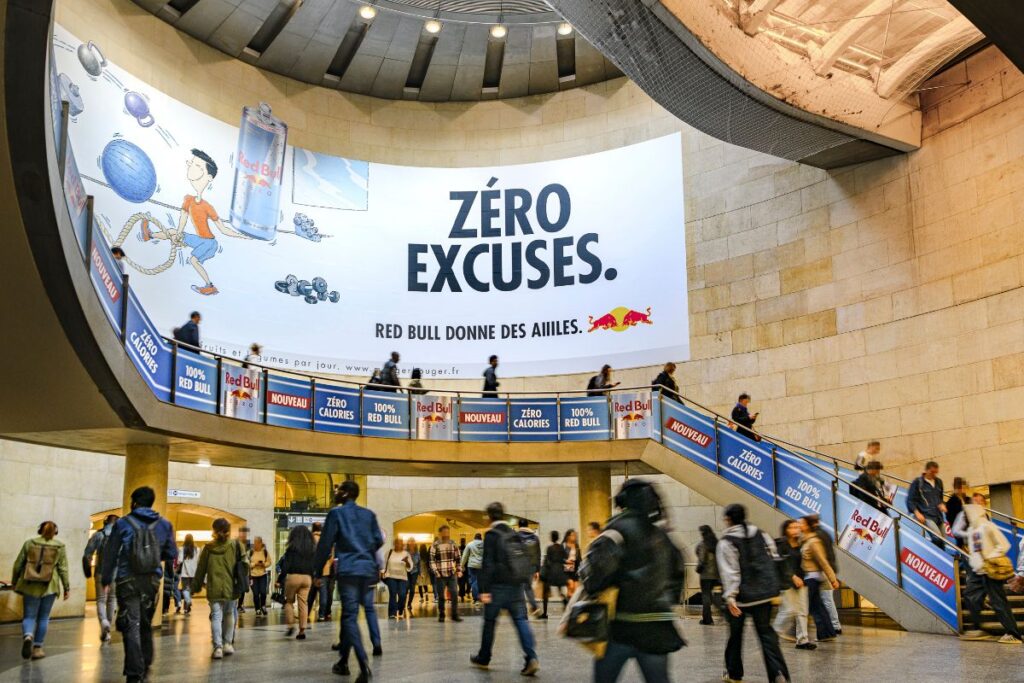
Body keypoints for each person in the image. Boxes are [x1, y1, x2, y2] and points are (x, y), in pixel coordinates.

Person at [579, 479, 685, 683]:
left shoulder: (616, 529)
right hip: (659, 628)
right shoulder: (661, 534)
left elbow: (595, 574)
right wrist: (665, 600)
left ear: (622, 500)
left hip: (622, 626)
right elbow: (678, 570)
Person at [141, 148, 248, 295]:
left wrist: (242, 236)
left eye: (197, 166)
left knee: (193, 260)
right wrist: (178, 234)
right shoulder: (189, 199)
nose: (191, 166)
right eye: (191, 163)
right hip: (199, 240)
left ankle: (209, 285)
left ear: (209, 177)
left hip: (209, 243)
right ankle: (150, 235)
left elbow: (223, 229)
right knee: (172, 232)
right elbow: (183, 218)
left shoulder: (207, 207)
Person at [101, 486, 177, 683]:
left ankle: (135, 672)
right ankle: (146, 663)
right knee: (145, 623)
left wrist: (106, 579)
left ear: (134, 502)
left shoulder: (123, 523)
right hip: (151, 581)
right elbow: (171, 554)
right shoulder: (164, 524)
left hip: (128, 580)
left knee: (131, 624)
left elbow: (110, 552)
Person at [315, 480, 384, 681]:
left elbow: (325, 544)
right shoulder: (369, 515)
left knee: (349, 617)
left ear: (345, 493)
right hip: (367, 570)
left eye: (339, 489)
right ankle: (343, 662)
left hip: (349, 570)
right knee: (349, 614)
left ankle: (363, 665)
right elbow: (379, 540)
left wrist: (317, 572)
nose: (336, 492)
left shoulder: (337, 513)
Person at [718, 503, 790, 683]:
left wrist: (730, 597)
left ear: (728, 520)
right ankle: (778, 674)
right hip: (764, 596)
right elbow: (773, 560)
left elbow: (731, 572)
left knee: (735, 636)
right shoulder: (762, 534)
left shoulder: (726, 542)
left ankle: (734, 674)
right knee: (766, 635)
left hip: (741, 599)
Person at [470, 502, 540, 676]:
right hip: (516, 586)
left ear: (489, 517)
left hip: (497, 587)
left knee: (490, 622)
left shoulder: (492, 535)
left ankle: (484, 657)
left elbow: (487, 564)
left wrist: (484, 590)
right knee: (521, 620)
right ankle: (531, 657)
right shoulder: (513, 533)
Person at [962, 499, 1022, 643]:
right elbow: (976, 551)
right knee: (970, 596)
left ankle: (1013, 634)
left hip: (991, 570)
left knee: (998, 601)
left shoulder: (988, 526)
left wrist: (989, 558)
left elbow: (1004, 545)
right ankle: (977, 628)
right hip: (979, 571)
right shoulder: (972, 531)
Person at [12, 521, 69, 660]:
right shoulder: (60, 546)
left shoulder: (29, 543)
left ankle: (28, 636)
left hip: (30, 584)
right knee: (43, 618)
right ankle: (37, 648)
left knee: (29, 616)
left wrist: (15, 581)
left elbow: (18, 564)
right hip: (50, 585)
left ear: (40, 530)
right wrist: (66, 587)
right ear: (55, 532)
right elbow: (63, 569)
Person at [191, 518, 247, 658]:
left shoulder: (208, 548)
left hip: (214, 587)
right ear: (228, 530)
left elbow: (200, 570)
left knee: (216, 616)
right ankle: (227, 644)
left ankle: (218, 648)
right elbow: (245, 565)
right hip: (231, 586)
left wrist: (196, 586)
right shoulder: (236, 545)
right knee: (229, 614)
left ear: (214, 531)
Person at [774, 520, 814, 650]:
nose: (796, 529)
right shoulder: (782, 544)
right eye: (792, 527)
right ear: (786, 530)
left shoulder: (800, 543)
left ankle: (802, 640)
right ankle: (773, 634)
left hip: (801, 581)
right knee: (789, 610)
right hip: (787, 582)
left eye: (797, 527)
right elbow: (782, 563)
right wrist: (793, 576)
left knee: (803, 611)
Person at [800, 515, 839, 643]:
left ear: (808, 526)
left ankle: (825, 632)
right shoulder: (806, 540)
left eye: (802, 523)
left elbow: (823, 561)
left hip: (812, 578)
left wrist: (833, 579)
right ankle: (827, 633)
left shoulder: (813, 541)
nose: (800, 525)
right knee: (818, 607)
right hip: (811, 578)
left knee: (813, 607)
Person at [83, 513, 119, 643]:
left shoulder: (99, 535)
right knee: (112, 600)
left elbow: (87, 553)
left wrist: (87, 571)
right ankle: (108, 628)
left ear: (105, 523)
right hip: (116, 574)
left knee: (101, 600)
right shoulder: (121, 537)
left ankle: (103, 621)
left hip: (100, 572)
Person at [278, 524, 316, 639]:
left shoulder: (291, 549)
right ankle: (302, 631)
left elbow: (285, 566)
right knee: (303, 603)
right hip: (307, 578)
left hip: (294, 577)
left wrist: (280, 579)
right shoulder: (312, 549)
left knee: (289, 601)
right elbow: (315, 565)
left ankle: (290, 626)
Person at [810, 518, 842, 635]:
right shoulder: (824, 534)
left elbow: (822, 558)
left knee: (827, 600)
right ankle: (833, 625)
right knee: (826, 600)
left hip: (824, 572)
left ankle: (835, 626)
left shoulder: (816, 536)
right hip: (828, 570)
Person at [907, 461, 948, 549]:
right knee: (937, 537)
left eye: (936, 472)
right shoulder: (918, 483)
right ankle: (929, 551)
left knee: (944, 541)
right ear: (926, 470)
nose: (934, 474)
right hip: (926, 515)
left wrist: (942, 504)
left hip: (938, 516)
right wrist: (917, 513)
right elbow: (910, 500)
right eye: (932, 472)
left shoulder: (939, 482)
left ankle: (938, 559)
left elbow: (940, 498)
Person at [430, 524, 463, 623]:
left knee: (454, 594)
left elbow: (458, 558)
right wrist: (436, 572)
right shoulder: (435, 545)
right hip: (440, 575)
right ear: (440, 533)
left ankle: (454, 614)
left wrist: (458, 570)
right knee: (441, 596)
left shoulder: (453, 543)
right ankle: (442, 614)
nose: (446, 534)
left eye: (447, 532)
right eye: (444, 532)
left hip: (451, 574)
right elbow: (432, 561)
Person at [695, 524, 723, 625]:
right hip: (716, 574)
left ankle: (707, 619)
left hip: (705, 575)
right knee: (713, 595)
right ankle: (723, 610)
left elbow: (702, 560)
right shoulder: (717, 543)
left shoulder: (704, 544)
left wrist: (698, 569)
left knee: (706, 596)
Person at [539, 530, 567, 619]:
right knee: (560, 591)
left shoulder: (549, 548)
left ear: (551, 538)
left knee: (545, 592)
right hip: (560, 572)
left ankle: (545, 613)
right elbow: (564, 559)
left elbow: (548, 561)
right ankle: (566, 603)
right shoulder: (562, 548)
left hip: (550, 572)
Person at [383, 537, 413, 619]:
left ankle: (400, 609)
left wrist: (406, 562)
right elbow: (384, 563)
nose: (398, 544)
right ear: (394, 544)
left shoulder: (406, 554)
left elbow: (410, 567)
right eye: (396, 543)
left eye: (400, 543)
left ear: (402, 544)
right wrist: (382, 572)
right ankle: (392, 613)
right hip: (391, 576)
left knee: (402, 594)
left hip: (402, 577)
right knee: (393, 594)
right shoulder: (389, 552)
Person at [517, 520, 542, 617]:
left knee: (519, 588)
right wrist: (537, 569)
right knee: (528, 587)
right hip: (531, 567)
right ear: (527, 526)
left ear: (519, 526)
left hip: (519, 566)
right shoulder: (535, 538)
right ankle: (534, 606)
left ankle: (524, 611)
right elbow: (538, 554)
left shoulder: (516, 536)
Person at [250, 536, 271, 616]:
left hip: (262, 575)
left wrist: (264, 564)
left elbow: (269, 562)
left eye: (256, 543)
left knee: (263, 592)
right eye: (254, 543)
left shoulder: (265, 552)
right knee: (255, 594)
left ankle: (263, 606)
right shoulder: (251, 552)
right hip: (253, 576)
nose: (255, 545)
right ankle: (257, 609)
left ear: (260, 543)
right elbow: (247, 563)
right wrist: (255, 564)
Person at [946, 477, 970, 548]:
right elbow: (950, 517)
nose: (961, 490)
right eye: (959, 488)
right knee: (962, 545)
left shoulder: (968, 499)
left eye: (962, 487)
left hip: (969, 526)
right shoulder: (951, 501)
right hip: (959, 527)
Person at [461, 532, 484, 605]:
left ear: (474, 538)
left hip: (472, 565)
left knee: (474, 581)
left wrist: (462, 565)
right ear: (481, 538)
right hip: (482, 565)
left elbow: (465, 556)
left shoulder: (470, 544)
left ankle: (476, 599)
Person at [179, 534, 198, 616]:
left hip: (185, 572)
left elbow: (179, 560)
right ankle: (186, 608)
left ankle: (188, 601)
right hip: (194, 573)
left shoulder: (182, 549)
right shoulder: (197, 549)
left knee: (185, 589)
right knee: (189, 590)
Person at [235, 526, 252, 613]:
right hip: (237, 567)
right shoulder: (235, 542)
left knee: (243, 588)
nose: (244, 535)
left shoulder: (249, 544)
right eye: (243, 533)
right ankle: (236, 605)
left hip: (244, 568)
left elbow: (249, 557)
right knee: (237, 586)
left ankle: (239, 605)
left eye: (246, 533)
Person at [563, 529, 581, 596]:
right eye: (572, 535)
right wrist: (566, 561)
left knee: (576, 591)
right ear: (568, 536)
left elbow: (579, 558)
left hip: (576, 569)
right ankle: (568, 604)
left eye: (575, 535)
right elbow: (559, 558)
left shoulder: (576, 545)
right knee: (571, 588)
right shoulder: (564, 545)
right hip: (567, 569)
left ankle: (571, 605)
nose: (574, 537)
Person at [405, 538, 421, 615]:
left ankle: (409, 603)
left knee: (412, 588)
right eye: (410, 541)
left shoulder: (417, 552)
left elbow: (419, 564)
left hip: (414, 572)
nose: (412, 543)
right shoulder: (405, 551)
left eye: (413, 541)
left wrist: (420, 573)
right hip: (406, 571)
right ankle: (403, 602)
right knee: (406, 587)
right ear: (408, 543)